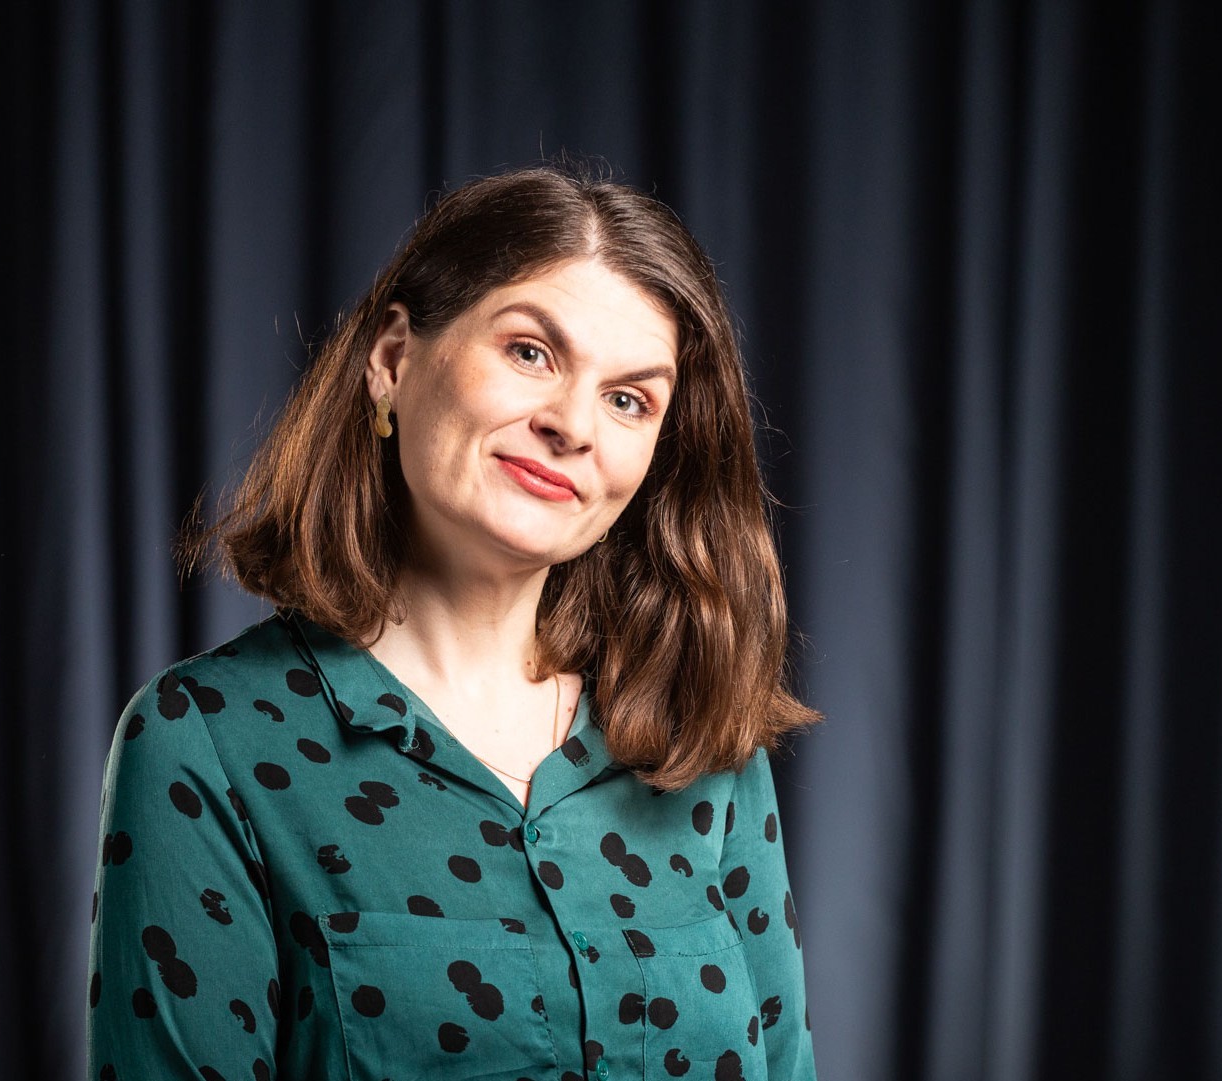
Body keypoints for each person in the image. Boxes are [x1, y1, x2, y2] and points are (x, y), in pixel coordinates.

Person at [86, 164, 820, 1081]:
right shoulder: (205, 741)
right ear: (393, 360)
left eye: (628, 399)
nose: (572, 425)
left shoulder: (697, 738)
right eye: (530, 352)